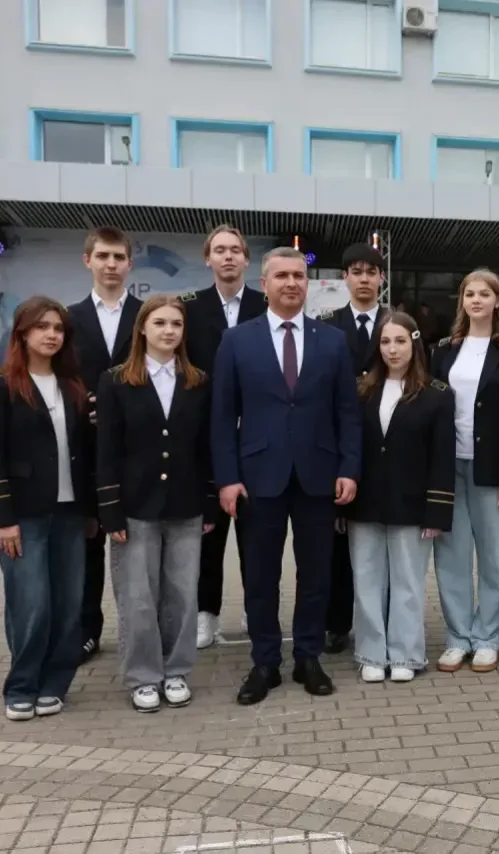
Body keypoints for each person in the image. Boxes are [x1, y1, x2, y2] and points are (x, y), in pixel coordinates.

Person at [210, 247, 362, 705]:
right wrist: (227, 478)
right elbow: (222, 417)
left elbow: (347, 413)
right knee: (260, 575)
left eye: (299, 275)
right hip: (258, 477)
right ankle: (265, 662)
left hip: (319, 475)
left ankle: (308, 657)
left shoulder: (332, 341)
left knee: (315, 574)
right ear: (264, 284)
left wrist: (349, 468)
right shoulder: (237, 341)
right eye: (282, 276)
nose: (292, 283)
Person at [0, 296, 93, 721]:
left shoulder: (73, 385)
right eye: (42, 327)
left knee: (68, 605)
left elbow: (85, 451)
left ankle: (55, 683)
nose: (51, 335)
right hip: (23, 514)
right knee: (31, 604)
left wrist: (92, 511)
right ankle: (22, 685)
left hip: (71, 513)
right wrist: (2, 518)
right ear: (22, 333)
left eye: (58, 328)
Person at [97, 295, 217, 713]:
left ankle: (176, 670)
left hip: (186, 503)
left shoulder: (197, 380)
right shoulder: (116, 381)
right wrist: (110, 509)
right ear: (142, 328)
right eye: (160, 323)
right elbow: (107, 450)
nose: (169, 331)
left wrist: (209, 501)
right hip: (135, 505)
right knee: (138, 596)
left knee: (182, 595)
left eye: (176, 324)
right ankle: (143, 675)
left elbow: (205, 448)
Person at [430, 270, 499, 673]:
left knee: (493, 558)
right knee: (451, 557)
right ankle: (458, 637)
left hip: (492, 468)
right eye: (469, 293)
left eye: (484, 294)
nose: (476, 300)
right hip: (448, 466)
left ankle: (487, 636)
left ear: (497, 301)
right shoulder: (443, 351)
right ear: (462, 302)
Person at [349, 312, 455, 682]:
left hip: (413, 503)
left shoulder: (437, 394)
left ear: (414, 343)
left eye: (400, 341)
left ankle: (406, 655)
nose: (392, 349)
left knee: (408, 582)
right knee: (367, 580)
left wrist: (437, 512)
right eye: (385, 342)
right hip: (365, 502)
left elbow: (443, 457)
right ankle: (371, 653)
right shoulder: (361, 390)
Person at [183, 225, 267, 650]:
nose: (228, 256)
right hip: (205, 437)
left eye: (236, 250)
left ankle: (255, 609)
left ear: (247, 259)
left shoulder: (265, 306)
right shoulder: (189, 309)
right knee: (208, 533)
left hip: (257, 435)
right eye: (220, 250)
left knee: (256, 533)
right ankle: (206, 614)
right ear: (208, 258)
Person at [67, 227, 144, 664]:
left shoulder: (148, 315)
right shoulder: (68, 318)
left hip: (138, 449)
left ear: (130, 263)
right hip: (84, 447)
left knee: (140, 541)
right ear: (87, 261)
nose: (111, 264)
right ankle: (86, 629)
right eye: (103, 256)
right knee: (88, 542)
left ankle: (145, 630)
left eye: (118, 257)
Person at [317, 242, 390, 655]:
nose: (364, 279)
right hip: (339, 446)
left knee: (380, 537)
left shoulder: (397, 323)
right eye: (356, 272)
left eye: (371, 272)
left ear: (382, 278)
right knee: (337, 540)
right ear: (344, 277)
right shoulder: (327, 326)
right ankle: (336, 622)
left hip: (386, 443)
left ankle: (380, 619)